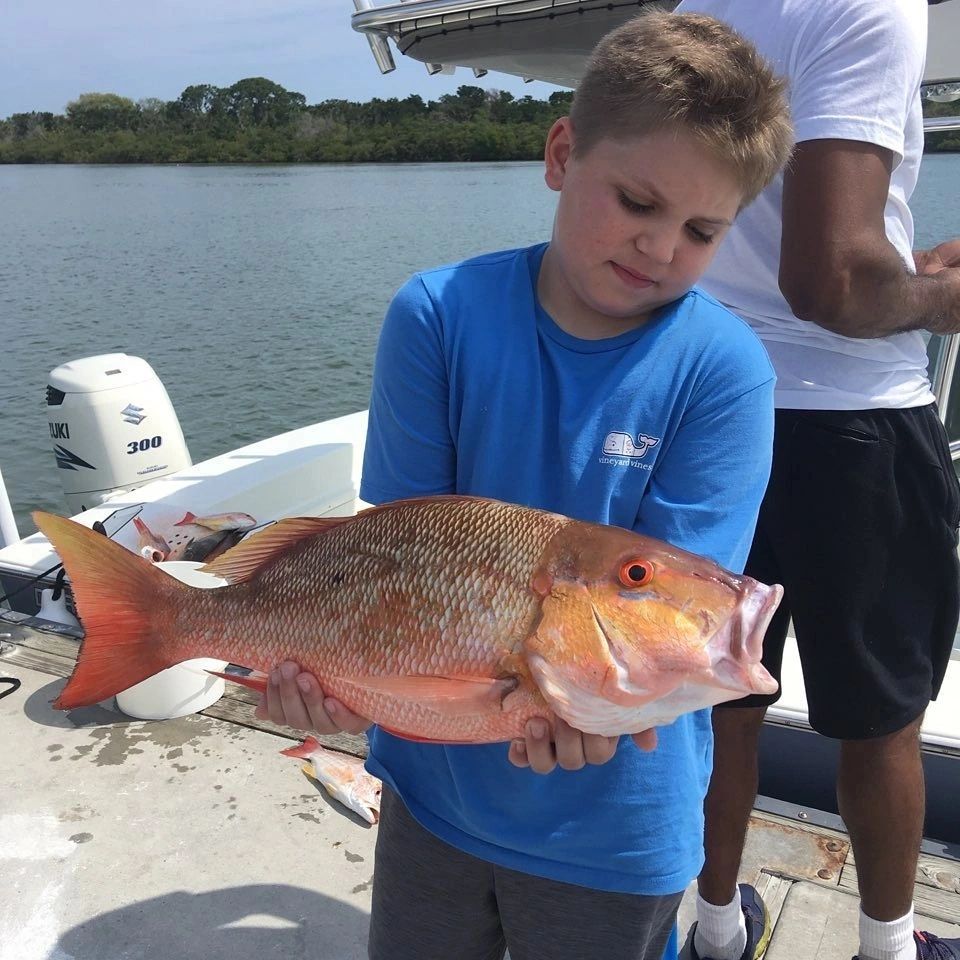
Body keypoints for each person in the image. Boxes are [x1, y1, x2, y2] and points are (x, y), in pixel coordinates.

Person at [256, 11, 793, 959]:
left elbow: (674, 614)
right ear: (561, 154)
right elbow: (393, 554)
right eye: (637, 201)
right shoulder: (438, 315)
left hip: (617, 829)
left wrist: (587, 702)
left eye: (702, 230)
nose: (661, 246)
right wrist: (334, 683)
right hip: (429, 791)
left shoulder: (725, 371)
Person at [671, 2, 960, 960]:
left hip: (711, 405)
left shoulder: (700, 6)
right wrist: (943, 296)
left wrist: (907, 272)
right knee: (881, 723)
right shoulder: (871, 6)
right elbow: (833, 280)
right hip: (857, 425)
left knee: (718, 705)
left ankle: (717, 933)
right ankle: (888, 949)